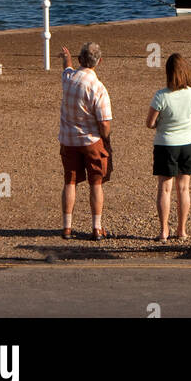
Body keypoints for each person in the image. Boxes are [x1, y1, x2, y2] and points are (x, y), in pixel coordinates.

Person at [145, 52, 191, 243]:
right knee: (184, 188)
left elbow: (149, 123)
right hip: (188, 142)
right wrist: (190, 119)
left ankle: (164, 230)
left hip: (166, 143)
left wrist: (160, 124)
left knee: (165, 188)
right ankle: (182, 229)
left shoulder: (161, 96)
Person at [58, 41, 113, 240]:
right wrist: (105, 138)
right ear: (99, 62)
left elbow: (67, 70)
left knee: (70, 181)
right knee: (96, 183)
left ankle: (67, 226)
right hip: (91, 140)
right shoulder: (98, 87)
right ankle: (96, 227)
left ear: (81, 59)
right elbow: (105, 124)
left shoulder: (69, 80)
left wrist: (67, 60)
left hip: (69, 139)